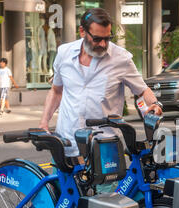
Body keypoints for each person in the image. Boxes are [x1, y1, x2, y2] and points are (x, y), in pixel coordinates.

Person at [39, 8, 162, 157]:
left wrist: (155, 103)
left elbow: (142, 90)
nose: (103, 44)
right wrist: (44, 123)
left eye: (108, 38)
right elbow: (56, 91)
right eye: (97, 39)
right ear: (82, 32)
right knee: (60, 181)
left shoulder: (121, 58)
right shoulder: (64, 53)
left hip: (105, 146)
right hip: (67, 144)